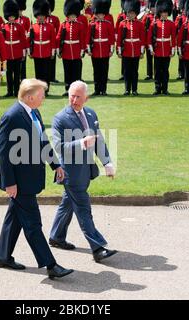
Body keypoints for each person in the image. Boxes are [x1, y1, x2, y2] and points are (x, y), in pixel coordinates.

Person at [0, 78, 74, 280]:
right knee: (33, 224)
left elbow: (42, 141)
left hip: (29, 178)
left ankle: (3, 257)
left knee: (14, 218)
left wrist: (55, 165)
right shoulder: (11, 117)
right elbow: (4, 153)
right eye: (41, 95)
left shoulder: (34, 112)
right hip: (19, 182)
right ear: (29, 97)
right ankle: (51, 265)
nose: (44, 97)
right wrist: (10, 183)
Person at [49, 80, 117, 263]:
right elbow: (58, 146)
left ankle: (56, 236)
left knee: (68, 203)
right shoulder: (60, 118)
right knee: (83, 208)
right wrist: (81, 143)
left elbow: (98, 140)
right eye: (72, 95)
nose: (74, 99)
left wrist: (107, 162)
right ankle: (98, 247)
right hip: (70, 173)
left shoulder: (90, 113)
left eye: (78, 96)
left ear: (86, 97)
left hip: (85, 170)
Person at [117, 0, 146, 96]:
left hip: (136, 51)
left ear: (135, 13)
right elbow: (119, 39)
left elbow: (142, 39)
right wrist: (119, 51)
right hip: (126, 51)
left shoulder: (140, 24)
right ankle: (127, 89)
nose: (131, 15)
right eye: (129, 13)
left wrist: (142, 52)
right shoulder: (122, 24)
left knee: (134, 71)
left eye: (133, 13)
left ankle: (134, 89)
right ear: (126, 13)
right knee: (126, 72)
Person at [57, 0, 86, 97]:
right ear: (67, 16)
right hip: (66, 51)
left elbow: (82, 38)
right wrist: (58, 50)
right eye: (70, 16)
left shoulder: (80, 25)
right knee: (67, 71)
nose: (72, 17)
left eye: (74, 16)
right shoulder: (63, 25)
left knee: (76, 72)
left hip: (76, 51)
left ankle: (77, 90)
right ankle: (68, 89)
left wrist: (82, 50)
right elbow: (59, 37)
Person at [148, 0, 176, 95]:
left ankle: (165, 88)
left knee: (165, 71)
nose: (164, 14)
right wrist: (151, 50)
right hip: (157, 50)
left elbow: (173, 38)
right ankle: (157, 88)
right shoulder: (154, 24)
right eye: (163, 12)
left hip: (167, 50)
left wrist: (172, 50)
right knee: (157, 71)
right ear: (159, 12)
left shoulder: (171, 24)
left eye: (166, 13)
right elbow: (149, 38)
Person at [87, 0, 115, 96]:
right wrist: (89, 50)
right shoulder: (92, 25)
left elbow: (111, 39)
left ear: (104, 15)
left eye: (102, 14)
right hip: (95, 51)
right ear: (96, 14)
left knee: (104, 71)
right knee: (96, 71)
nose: (100, 16)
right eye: (98, 14)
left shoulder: (108, 24)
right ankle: (97, 89)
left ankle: (103, 90)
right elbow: (88, 39)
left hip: (105, 50)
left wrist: (111, 50)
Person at [29, 0, 56, 95]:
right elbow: (30, 41)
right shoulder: (33, 26)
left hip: (46, 52)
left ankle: (46, 89)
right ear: (37, 16)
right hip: (36, 52)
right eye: (39, 16)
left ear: (45, 16)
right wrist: (30, 52)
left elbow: (53, 40)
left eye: (42, 16)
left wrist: (52, 53)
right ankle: (39, 90)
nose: (40, 17)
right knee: (38, 72)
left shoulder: (50, 26)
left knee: (46, 72)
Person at [1, 0, 27, 98]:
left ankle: (17, 91)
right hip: (8, 54)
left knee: (17, 74)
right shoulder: (4, 27)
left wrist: (23, 53)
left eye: (12, 16)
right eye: (10, 16)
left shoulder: (19, 27)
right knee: (8, 74)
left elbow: (23, 40)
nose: (11, 18)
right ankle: (9, 91)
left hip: (17, 54)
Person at [15, 0, 31, 81]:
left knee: (23, 63)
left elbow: (28, 32)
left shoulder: (26, 19)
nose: (19, 12)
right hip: (15, 45)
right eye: (18, 10)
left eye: (20, 10)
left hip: (23, 45)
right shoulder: (13, 20)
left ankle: (23, 79)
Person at [47, 0, 61, 84]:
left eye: (49, 9)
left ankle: (52, 77)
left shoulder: (55, 19)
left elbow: (58, 31)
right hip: (44, 43)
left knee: (52, 61)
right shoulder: (42, 18)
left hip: (53, 43)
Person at [142, 0, 156, 80]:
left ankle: (156, 73)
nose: (154, 9)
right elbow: (143, 29)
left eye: (154, 8)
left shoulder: (158, 17)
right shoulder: (147, 17)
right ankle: (149, 74)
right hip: (148, 40)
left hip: (157, 41)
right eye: (152, 8)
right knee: (149, 58)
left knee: (157, 59)